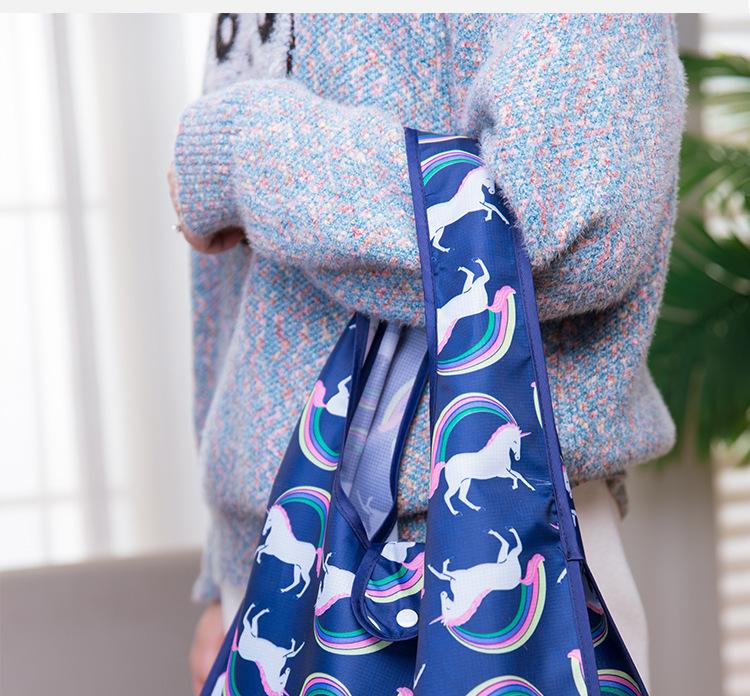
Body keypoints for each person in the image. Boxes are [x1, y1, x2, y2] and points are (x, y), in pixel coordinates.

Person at [169, 13, 685, 694]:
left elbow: (569, 219)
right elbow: (238, 289)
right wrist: (230, 569)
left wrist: (239, 154)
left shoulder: (240, 144)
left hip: (490, 566)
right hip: (273, 577)